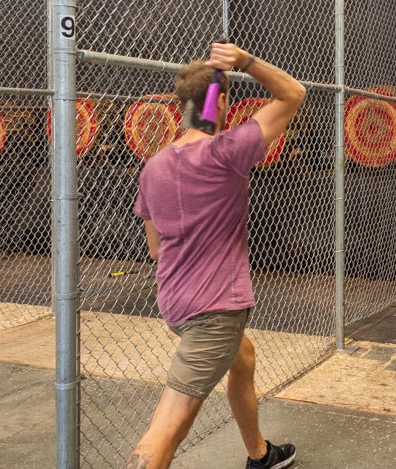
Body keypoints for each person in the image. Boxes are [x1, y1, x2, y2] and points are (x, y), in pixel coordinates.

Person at [127, 41, 306, 469]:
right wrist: (243, 62)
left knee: (241, 359)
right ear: (219, 101)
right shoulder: (226, 153)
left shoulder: (153, 165)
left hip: (176, 302)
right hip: (215, 311)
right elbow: (293, 94)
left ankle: (259, 454)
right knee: (170, 424)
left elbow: (155, 248)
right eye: (226, 99)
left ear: (183, 104)